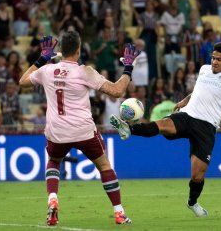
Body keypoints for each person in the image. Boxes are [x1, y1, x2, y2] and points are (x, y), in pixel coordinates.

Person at [110, 42, 221, 217]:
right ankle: (128, 129)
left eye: (219, 59)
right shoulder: (205, 69)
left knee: (197, 176)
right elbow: (200, 90)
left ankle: (192, 202)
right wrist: (185, 101)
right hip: (188, 115)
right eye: (213, 58)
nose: (214, 61)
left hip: (206, 126)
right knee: (163, 125)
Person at [19, 32, 141, 226]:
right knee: (104, 166)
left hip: (57, 132)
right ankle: (119, 213)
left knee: (53, 161)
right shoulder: (85, 71)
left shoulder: (47, 70)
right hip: (83, 131)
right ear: (78, 50)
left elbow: (23, 82)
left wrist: (42, 58)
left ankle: (53, 199)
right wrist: (128, 67)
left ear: (60, 50)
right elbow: (118, 91)